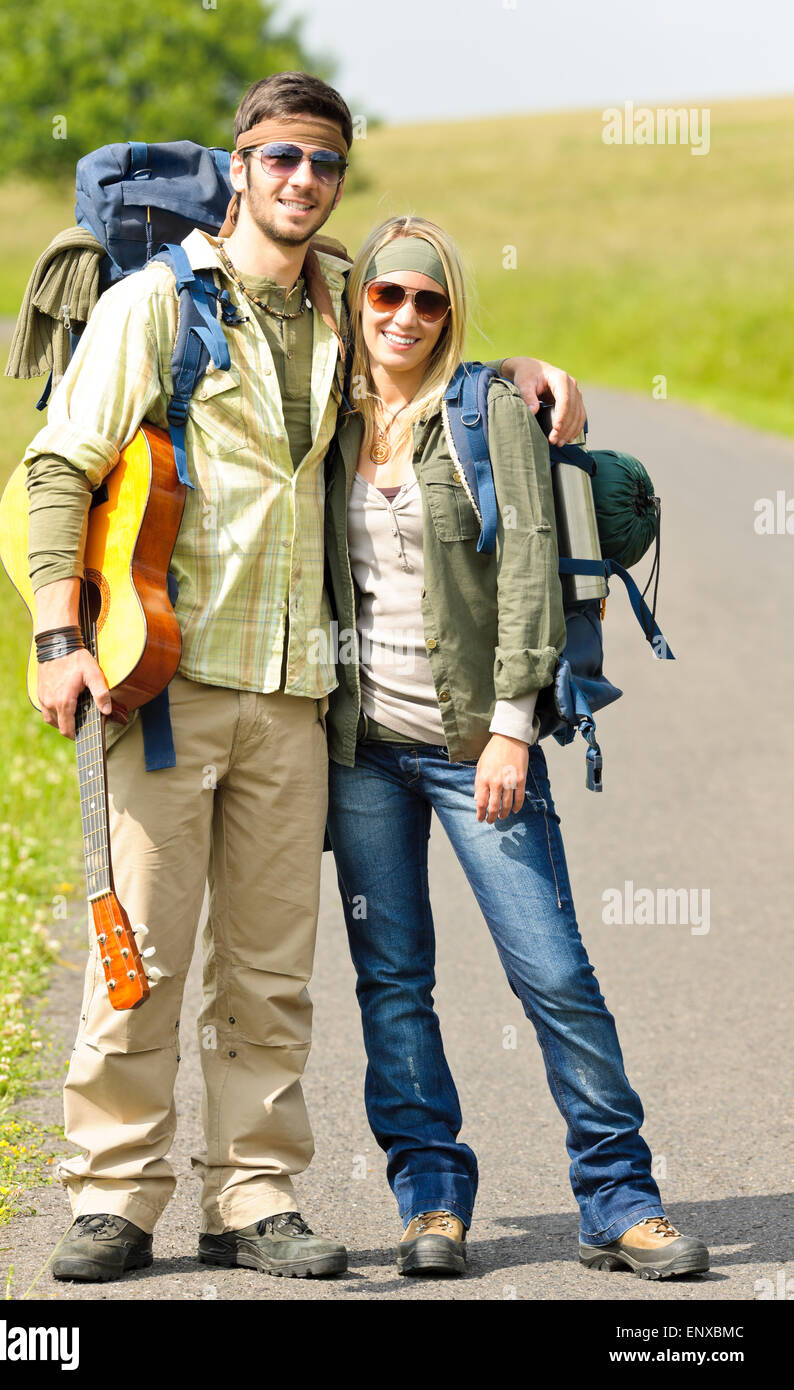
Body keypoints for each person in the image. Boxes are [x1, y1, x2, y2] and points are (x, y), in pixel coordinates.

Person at [22, 70, 586, 1284]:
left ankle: (255, 1194)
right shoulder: (154, 305)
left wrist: (528, 373)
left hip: (295, 701)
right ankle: (115, 1197)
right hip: (158, 686)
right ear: (239, 164)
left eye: (322, 164)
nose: (301, 181)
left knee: (270, 969)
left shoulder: (336, 306)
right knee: (147, 958)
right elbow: (62, 465)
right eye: (280, 157)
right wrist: (58, 638)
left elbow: (422, 370)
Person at [323, 215, 711, 1281]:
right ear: (355, 301)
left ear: (450, 312)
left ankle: (617, 1197)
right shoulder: (321, 407)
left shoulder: (485, 409)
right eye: (384, 296)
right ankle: (430, 1201)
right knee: (390, 979)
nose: (402, 315)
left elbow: (533, 573)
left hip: (469, 743)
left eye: (427, 300)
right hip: (359, 748)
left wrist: (507, 728)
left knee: (553, 971)